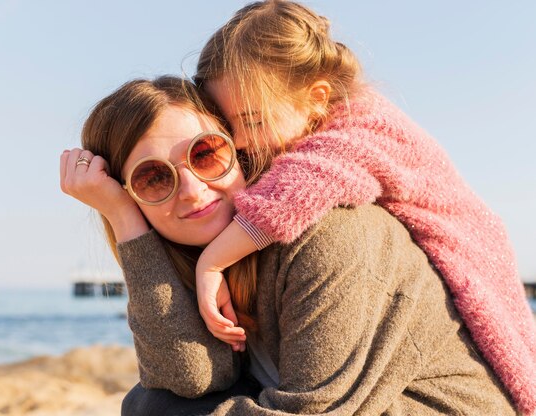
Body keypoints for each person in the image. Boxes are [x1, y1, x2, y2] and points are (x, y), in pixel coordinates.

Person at [61, 76, 517, 415]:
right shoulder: (203, 258)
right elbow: (190, 377)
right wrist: (125, 222)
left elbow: (312, 411)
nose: (193, 189)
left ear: (238, 150)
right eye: (153, 177)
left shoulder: (328, 233)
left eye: (205, 154)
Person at [191, 2, 536, 413]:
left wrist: (211, 262)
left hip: (468, 252)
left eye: (253, 120)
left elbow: (301, 188)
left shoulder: (364, 125)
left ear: (316, 98)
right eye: (230, 128)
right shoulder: (306, 124)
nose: (242, 142)